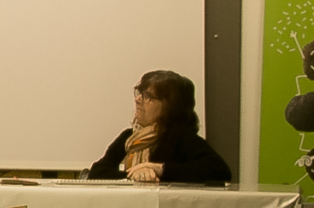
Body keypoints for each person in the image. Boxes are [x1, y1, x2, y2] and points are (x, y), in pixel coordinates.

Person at [90, 70, 229, 186]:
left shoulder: (182, 137)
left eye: (147, 96)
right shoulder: (129, 137)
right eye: (139, 93)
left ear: (170, 105)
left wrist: (159, 169)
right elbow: (96, 173)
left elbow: (219, 171)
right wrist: (136, 175)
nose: (137, 100)